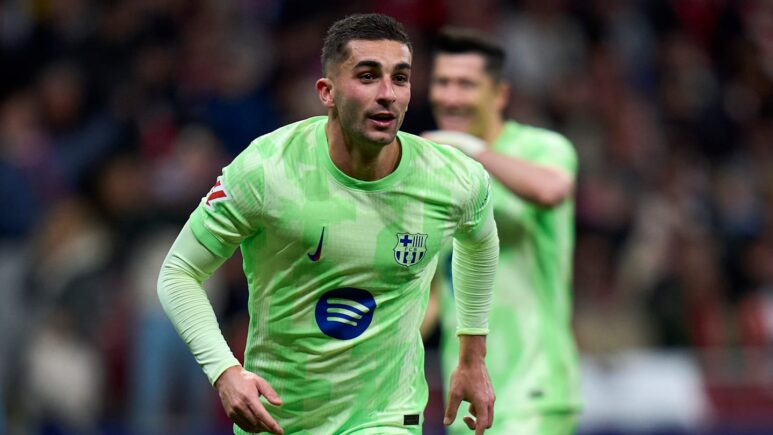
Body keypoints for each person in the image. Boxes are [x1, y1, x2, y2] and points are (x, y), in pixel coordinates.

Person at [157, 14, 499, 435]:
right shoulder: (266, 170)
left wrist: (472, 355)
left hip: (385, 416)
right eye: (368, 76)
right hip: (279, 417)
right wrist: (224, 371)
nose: (387, 94)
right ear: (327, 92)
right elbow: (178, 272)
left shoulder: (452, 179)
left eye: (400, 78)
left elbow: (480, 242)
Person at [422, 28, 582, 434]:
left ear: (499, 94)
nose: (450, 96)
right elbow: (433, 298)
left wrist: (470, 149)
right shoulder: (435, 175)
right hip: (465, 396)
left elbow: (550, 190)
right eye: (442, 82)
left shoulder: (542, 148)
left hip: (535, 390)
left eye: (466, 84)